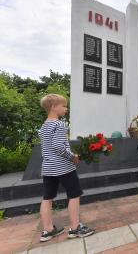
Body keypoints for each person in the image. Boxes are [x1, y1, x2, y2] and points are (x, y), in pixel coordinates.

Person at [38, 94, 95, 242]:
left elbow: (49, 148)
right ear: (53, 107)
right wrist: (73, 156)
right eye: (63, 106)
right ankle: (75, 228)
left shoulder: (44, 126)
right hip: (63, 167)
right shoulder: (59, 124)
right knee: (74, 195)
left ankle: (48, 230)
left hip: (48, 168)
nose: (66, 108)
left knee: (47, 198)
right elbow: (58, 147)